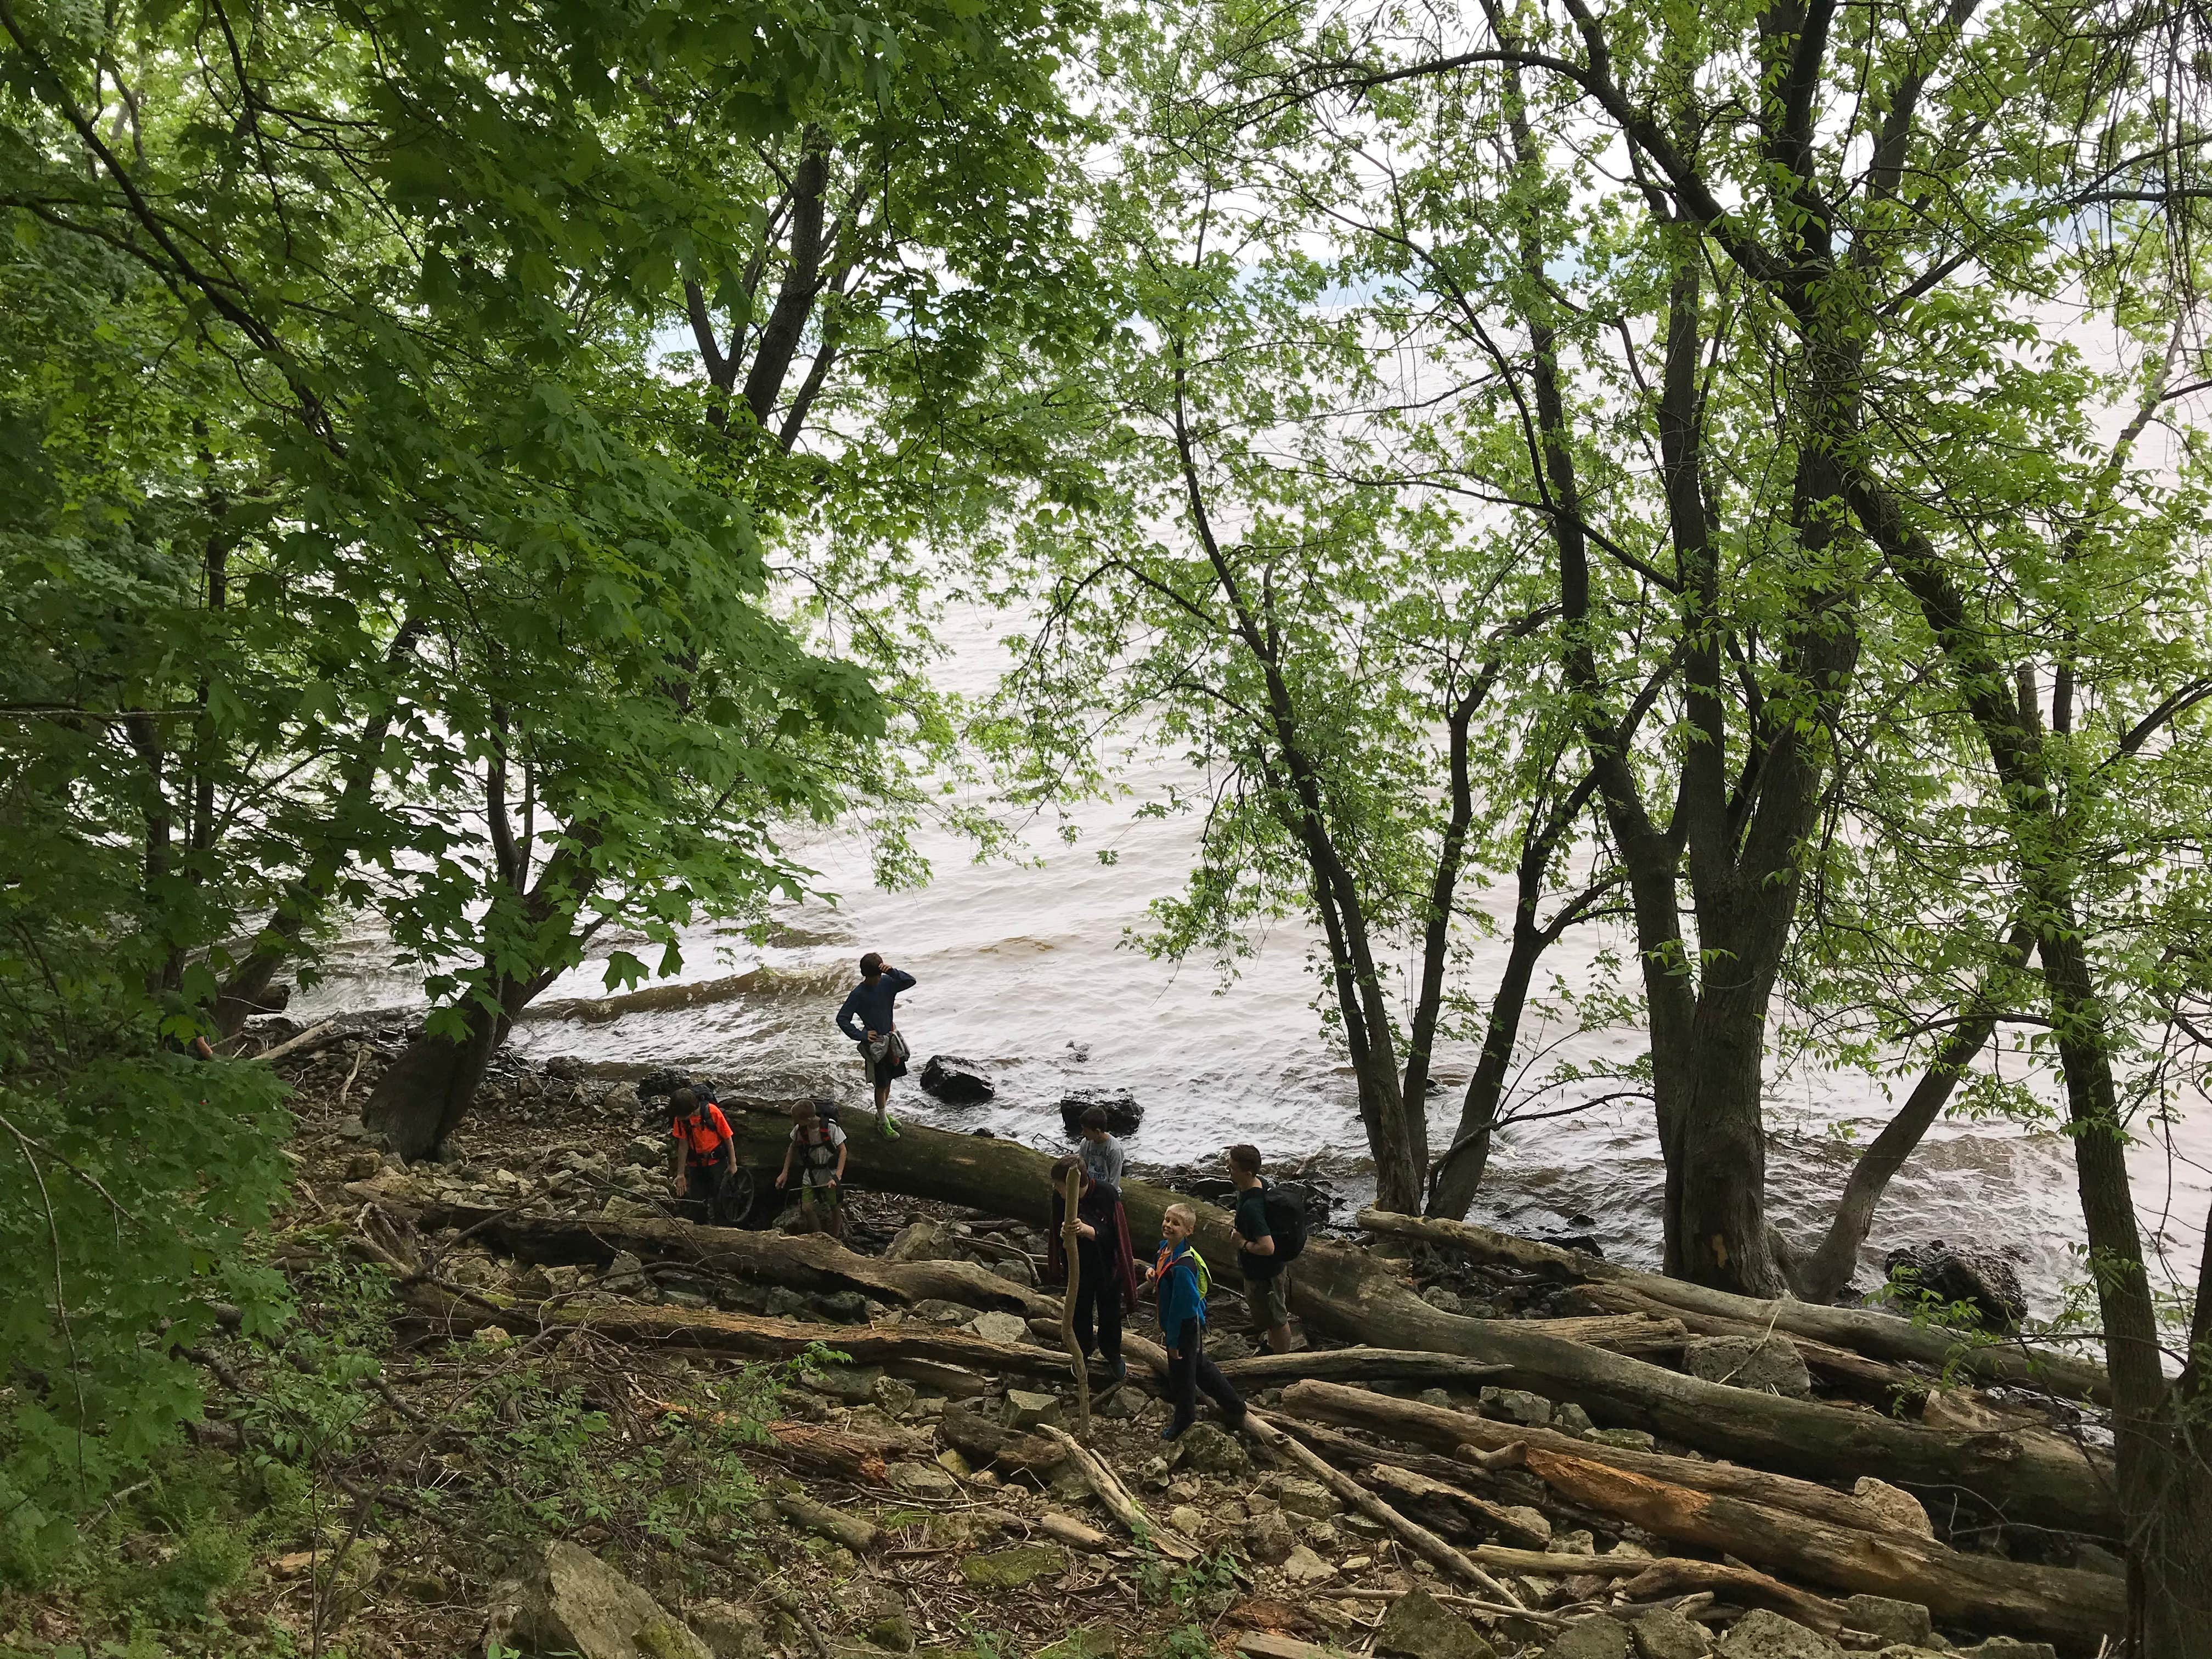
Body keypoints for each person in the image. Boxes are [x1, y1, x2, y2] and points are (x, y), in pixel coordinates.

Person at [1149, 1203, 1244, 1440]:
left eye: (1176, 1223)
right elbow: (1161, 1269)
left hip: (1183, 1327)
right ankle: (1234, 1405)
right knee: (1200, 1366)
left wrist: (1172, 1342)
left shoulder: (1182, 1267)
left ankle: (1185, 1419)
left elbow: (1182, 1309)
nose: (1168, 1225)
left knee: (1182, 1377)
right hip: (1185, 1324)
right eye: (1167, 1219)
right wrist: (1153, 1272)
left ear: (1189, 1231)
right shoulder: (1165, 1250)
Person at [1047, 1155, 1139, 1381]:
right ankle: (1081, 1355)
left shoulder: (1106, 1194)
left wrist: (1090, 1231)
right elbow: (1054, 1227)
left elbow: (1118, 1237)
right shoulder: (1059, 1198)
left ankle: (1112, 1354)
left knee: (1109, 1314)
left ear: (1074, 1184)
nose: (1055, 1189)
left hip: (1107, 1266)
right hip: (1078, 1267)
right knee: (1080, 1313)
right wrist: (1061, 1240)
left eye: (1058, 1185)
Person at [834, 951, 915, 1138]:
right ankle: (883, 1123)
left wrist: (893, 972)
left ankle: (882, 1116)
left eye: (878, 976)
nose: (876, 981)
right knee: (881, 1084)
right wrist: (861, 1035)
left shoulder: (888, 982)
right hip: (877, 1044)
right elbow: (843, 1018)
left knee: (889, 1081)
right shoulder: (858, 994)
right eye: (873, 978)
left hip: (891, 1041)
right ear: (865, 976)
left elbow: (910, 981)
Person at [1227, 1143, 1296, 1353]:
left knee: (1277, 1320)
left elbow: (1267, 1248)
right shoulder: (1260, 1184)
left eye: (1232, 1168)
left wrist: (1243, 1244)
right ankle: (1274, 1348)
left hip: (1264, 1275)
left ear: (1247, 1173)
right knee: (1271, 1317)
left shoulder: (1252, 1208)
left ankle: (1281, 1361)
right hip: (1271, 1271)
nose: (1228, 1170)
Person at [775, 1097, 848, 1238]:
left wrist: (838, 1175)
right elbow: (792, 1148)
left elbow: (843, 1150)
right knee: (807, 1208)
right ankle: (820, 1236)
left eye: (797, 1121)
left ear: (808, 1119)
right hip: (811, 1174)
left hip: (830, 1173)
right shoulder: (800, 1131)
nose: (795, 1124)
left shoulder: (830, 1128)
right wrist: (784, 1173)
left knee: (835, 1206)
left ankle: (835, 1236)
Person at [668, 1087, 737, 1222]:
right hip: (695, 1165)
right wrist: (681, 1174)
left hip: (716, 1163)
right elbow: (683, 1144)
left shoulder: (712, 1112)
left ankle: (722, 1228)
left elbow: (728, 1138)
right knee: (697, 1202)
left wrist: (733, 1164)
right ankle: (701, 1227)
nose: (678, 1119)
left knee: (721, 1200)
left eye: (681, 1116)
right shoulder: (681, 1120)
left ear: (691, 1110)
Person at [1077, 1106, 1125, 1188]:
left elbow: (1114, 1181)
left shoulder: (1114, 1149)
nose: (1083, 1133)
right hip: (1090, 1188)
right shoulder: (1085, 1144)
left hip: (1107, 1191)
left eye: (1085, 1130)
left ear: (1097, 1132)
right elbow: (1082, 1170)